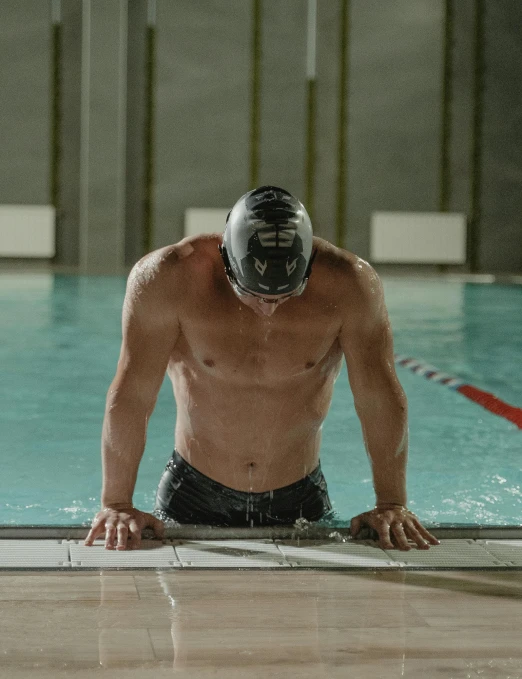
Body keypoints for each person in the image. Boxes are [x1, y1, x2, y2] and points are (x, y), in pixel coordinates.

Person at [84, 186, 440, 552]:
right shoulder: (168, 279)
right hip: (191, 492)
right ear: (227, 262)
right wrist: (117, 504)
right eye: (255, 295)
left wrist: (391, 503)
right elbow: (133, 394)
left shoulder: (350, 285)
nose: (269, 309)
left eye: (285, 296)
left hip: (301, 497)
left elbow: (377, 397)